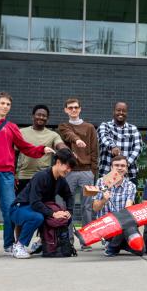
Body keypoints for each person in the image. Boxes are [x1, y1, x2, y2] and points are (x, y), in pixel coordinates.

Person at [0, 91, 54, 258]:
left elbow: (25, 147)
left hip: (7, 174)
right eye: (2, 103)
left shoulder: (12, 127)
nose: (5, 106)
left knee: (9, 210)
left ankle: (8, 245)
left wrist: (42, 149)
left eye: (8, 104)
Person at [9, 148, 77, 259]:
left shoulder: (61, 179)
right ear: (59, 163)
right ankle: (19, 246)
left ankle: (43, 242)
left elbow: (68, 196)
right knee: (37, 217)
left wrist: (69, 211)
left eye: (71, 168)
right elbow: (35, 202)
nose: (69, 170)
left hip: (37, 208)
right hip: (20, 208)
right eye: (67, 167)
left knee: (65, 217)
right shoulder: (41, 176)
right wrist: (53, 213)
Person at [58, 97, 98, 227]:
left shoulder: (90, 127)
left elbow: (94, 150)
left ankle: (86, 240)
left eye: (76, 107)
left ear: (80, 109)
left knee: (87, 206)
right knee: (66, 205)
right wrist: (77, 140)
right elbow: (68, 134)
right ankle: (67, 239)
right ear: (66, 110)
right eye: (70, 108)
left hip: (87, 172)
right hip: (69, 172)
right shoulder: (64, 126)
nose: (73, 110)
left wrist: (93, 171)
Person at [91, 155, 138, 256]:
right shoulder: (101, 182)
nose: (120, 168)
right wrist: (104, 199)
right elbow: (95, 208)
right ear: (111, 167)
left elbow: (128, 209)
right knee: (125, 232)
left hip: (123, 225)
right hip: (106, 225)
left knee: (140, 250)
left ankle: (114, 245)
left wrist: (120, 221)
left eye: (123, 166)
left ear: (126, 168)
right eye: (116, 165)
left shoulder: (131, 186)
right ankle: (114, 246)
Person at [16, 104, 66, 194]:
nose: (41, 117)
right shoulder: (21, 132)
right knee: (22, 206)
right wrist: (13, 175)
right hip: (23, 176)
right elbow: (14, 154)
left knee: (42, 205)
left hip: (43, 177)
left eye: (44, 116)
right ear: (33, 116)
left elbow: (60, 145)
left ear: (47, 118)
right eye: (38, 114)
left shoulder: (53, 135)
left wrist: (66, 151)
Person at [97, 101, 143, 181]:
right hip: (107, 174)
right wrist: (113, 147)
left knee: (129, 194)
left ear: (127, 113)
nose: (121, 113)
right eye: (118, 110)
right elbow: (103, 138)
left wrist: (125, 164)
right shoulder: (105, 125)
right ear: (113, 111)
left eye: (124, 111)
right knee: (105, 194)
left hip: (129, 175)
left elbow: (138, 148)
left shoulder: (133, 129)